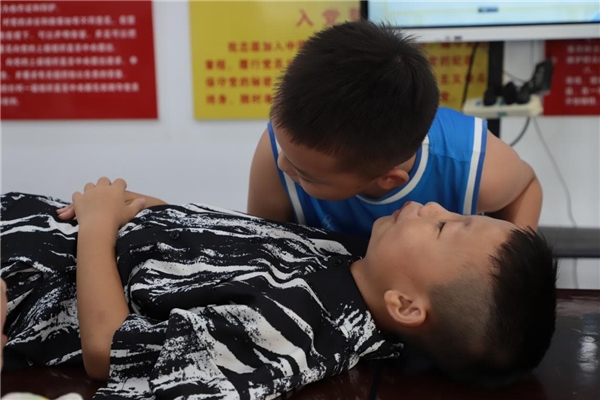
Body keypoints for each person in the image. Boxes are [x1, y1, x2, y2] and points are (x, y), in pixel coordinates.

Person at [2, 179, 556, 399]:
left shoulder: (293, 332)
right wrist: (150, 210)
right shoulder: (352, 258)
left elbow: (107, 350)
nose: (432, 207)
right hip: (40, 225)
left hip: (24, 286)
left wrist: (99, 226)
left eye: (443, 228)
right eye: (453, 213)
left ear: (406, 306)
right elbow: (227, 244)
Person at [247, 20, 542, 238]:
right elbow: (263, 247)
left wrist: (504, 272)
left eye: (305, 175)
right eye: (282, 148)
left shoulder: (473, 165)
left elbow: (526, 189)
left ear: (388, 179)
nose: (281, 164)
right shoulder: (279, 151)